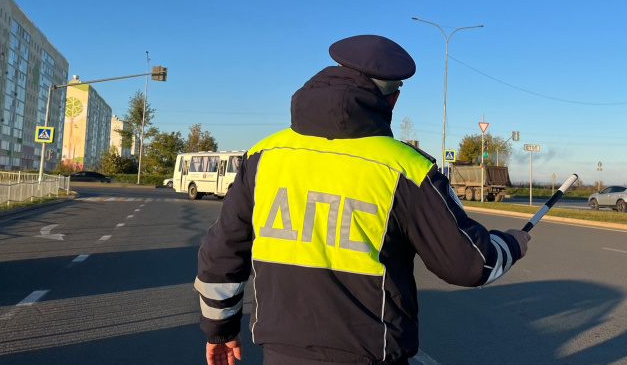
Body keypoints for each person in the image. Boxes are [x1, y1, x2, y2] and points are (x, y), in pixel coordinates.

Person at [195, 34, 531, 365]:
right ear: (393, 99)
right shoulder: (406, 168)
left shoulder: (263, 155)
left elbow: (222, 252)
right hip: (370, 355)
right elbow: (470, 264)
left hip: (282, 356)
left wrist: (220, 330)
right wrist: (512, 244)